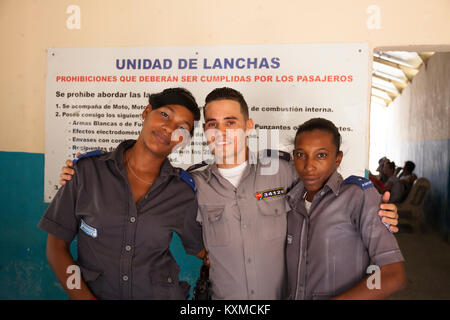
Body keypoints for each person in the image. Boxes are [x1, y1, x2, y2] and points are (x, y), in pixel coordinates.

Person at [60, 87, 400, 300]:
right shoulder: (189, 186)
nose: (221, 131)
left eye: (231, 122)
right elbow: (148, 196)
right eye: (211, 123)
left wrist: (380, 209)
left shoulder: (285, 169)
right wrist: (79, 174)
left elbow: (325, 180)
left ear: (249, 126)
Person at [39, 87, 205, 300]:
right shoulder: (87, 172)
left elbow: (203, 250)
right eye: (165, 114)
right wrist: (82, 296)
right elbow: (56, 247)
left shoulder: (182, 192)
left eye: (182, 128)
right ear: (146, 112)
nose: (169, 129)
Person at [286, 118, 406, 300]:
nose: (308, 166)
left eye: (321, 155)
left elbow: (394, 275)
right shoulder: (290, 200)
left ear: (337, 159)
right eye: (301, 155)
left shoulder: (358, 197)